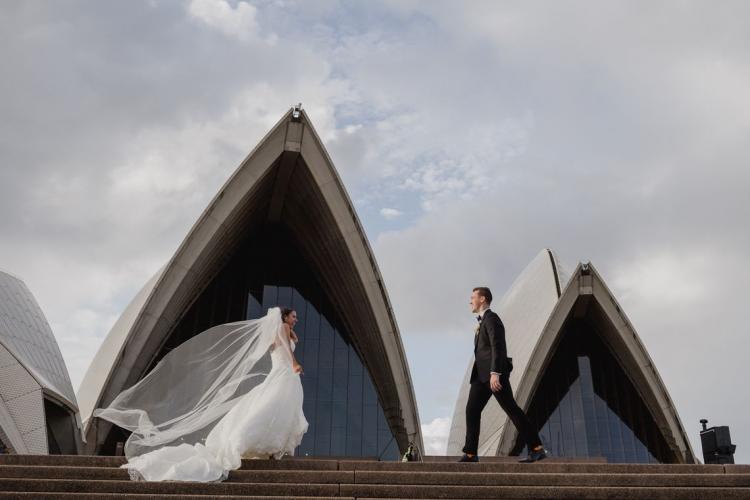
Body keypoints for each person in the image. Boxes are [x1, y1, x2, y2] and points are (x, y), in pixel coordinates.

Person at [94, 306, 308, 481]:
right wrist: (295, 363)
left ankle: (267, 446)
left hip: (281, 372)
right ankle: (264, 445)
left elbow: (277, 346)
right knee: (275, 405)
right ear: (285, 316)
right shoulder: (282, 328)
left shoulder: (276, 331)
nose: (296, 319)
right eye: (294, 316)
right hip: (284, 372)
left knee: (274, 406)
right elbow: (286, 349)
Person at [459, 287, 548, 463]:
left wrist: (495, 374)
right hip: (480, 377)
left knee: (511, 409)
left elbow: (498, 347)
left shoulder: (492, 319)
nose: (470, 301)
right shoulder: (482, 322)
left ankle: (536, 448)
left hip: (493, 375)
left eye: (472, 297)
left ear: (482, 299)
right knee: (471, 410)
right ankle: (470, 453)